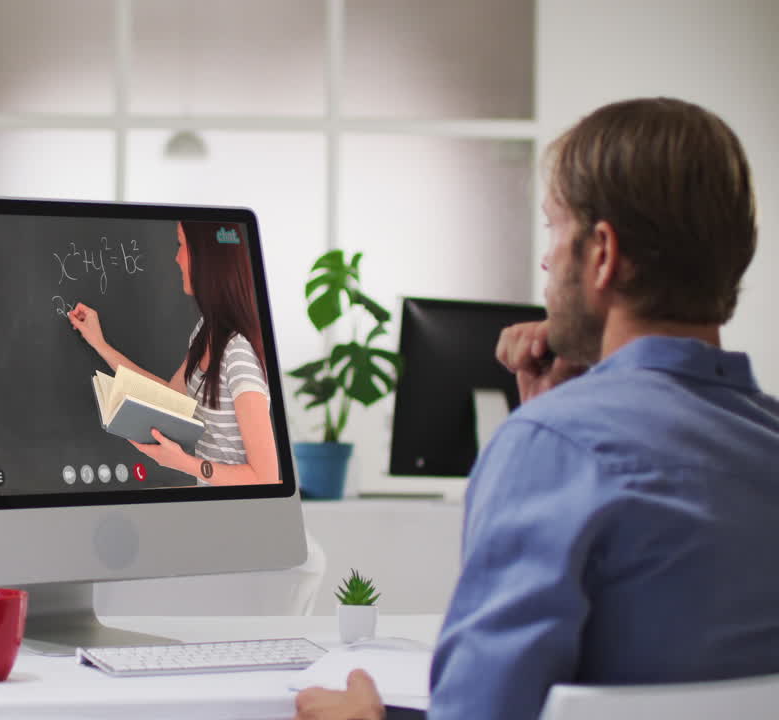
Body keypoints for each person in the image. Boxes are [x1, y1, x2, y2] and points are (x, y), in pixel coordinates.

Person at [295, 96, 779, 720]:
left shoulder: (553, 446)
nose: (547, 259)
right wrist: (552, 419)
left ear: (602, 253)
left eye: (555, 229)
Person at [68, 220, 280, 486]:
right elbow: (170, 397)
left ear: (205, 257)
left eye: (181, 245)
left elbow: (265, 478)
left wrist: (184, 463)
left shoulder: (239, 354)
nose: (176, 257)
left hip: (240, 517)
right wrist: (100, 344)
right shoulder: (206, 331)